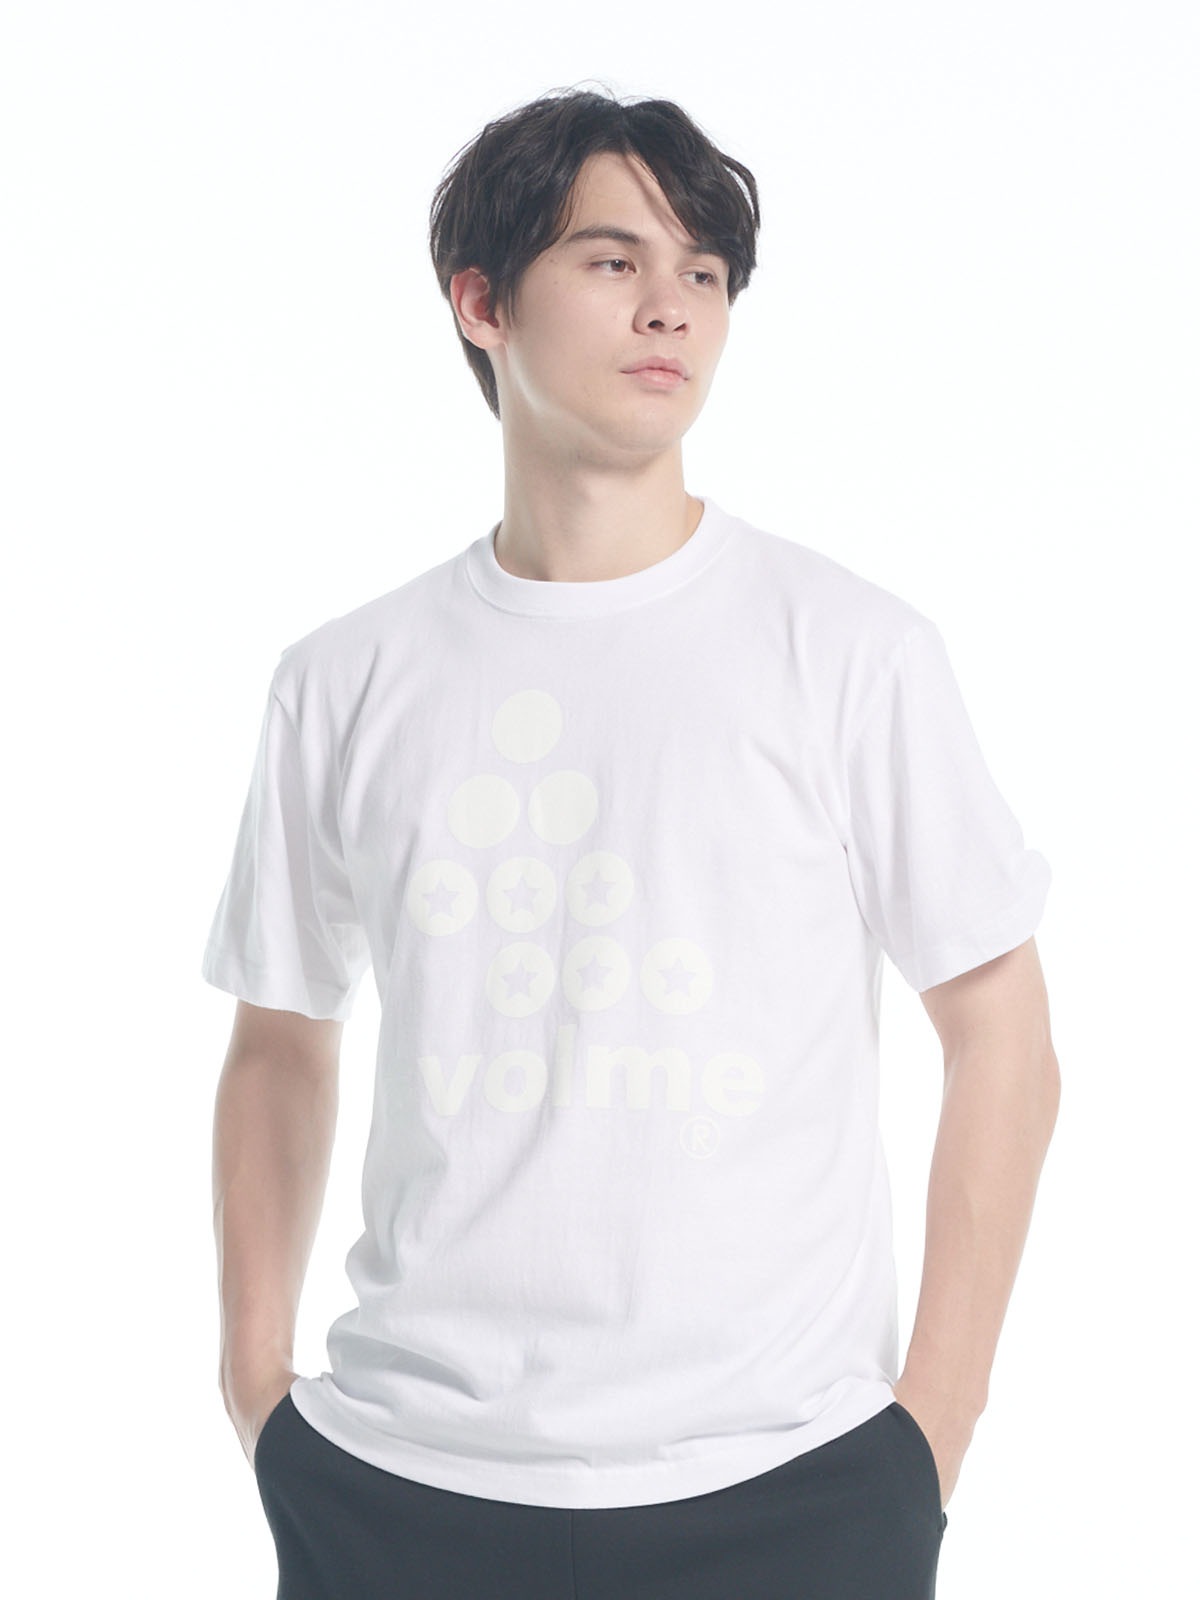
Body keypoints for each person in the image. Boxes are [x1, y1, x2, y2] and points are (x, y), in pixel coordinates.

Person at [205, 83, 1059, 1600]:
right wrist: (258, 1390)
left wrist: (932, 1426)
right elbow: (281, 1038)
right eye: (613, 261)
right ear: (482, 303)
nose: (672, 306)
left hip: (791, 1485)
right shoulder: (345, 680)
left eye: (704, 274)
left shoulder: (849, 650)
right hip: (402, 1484)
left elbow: (1003, 1034)